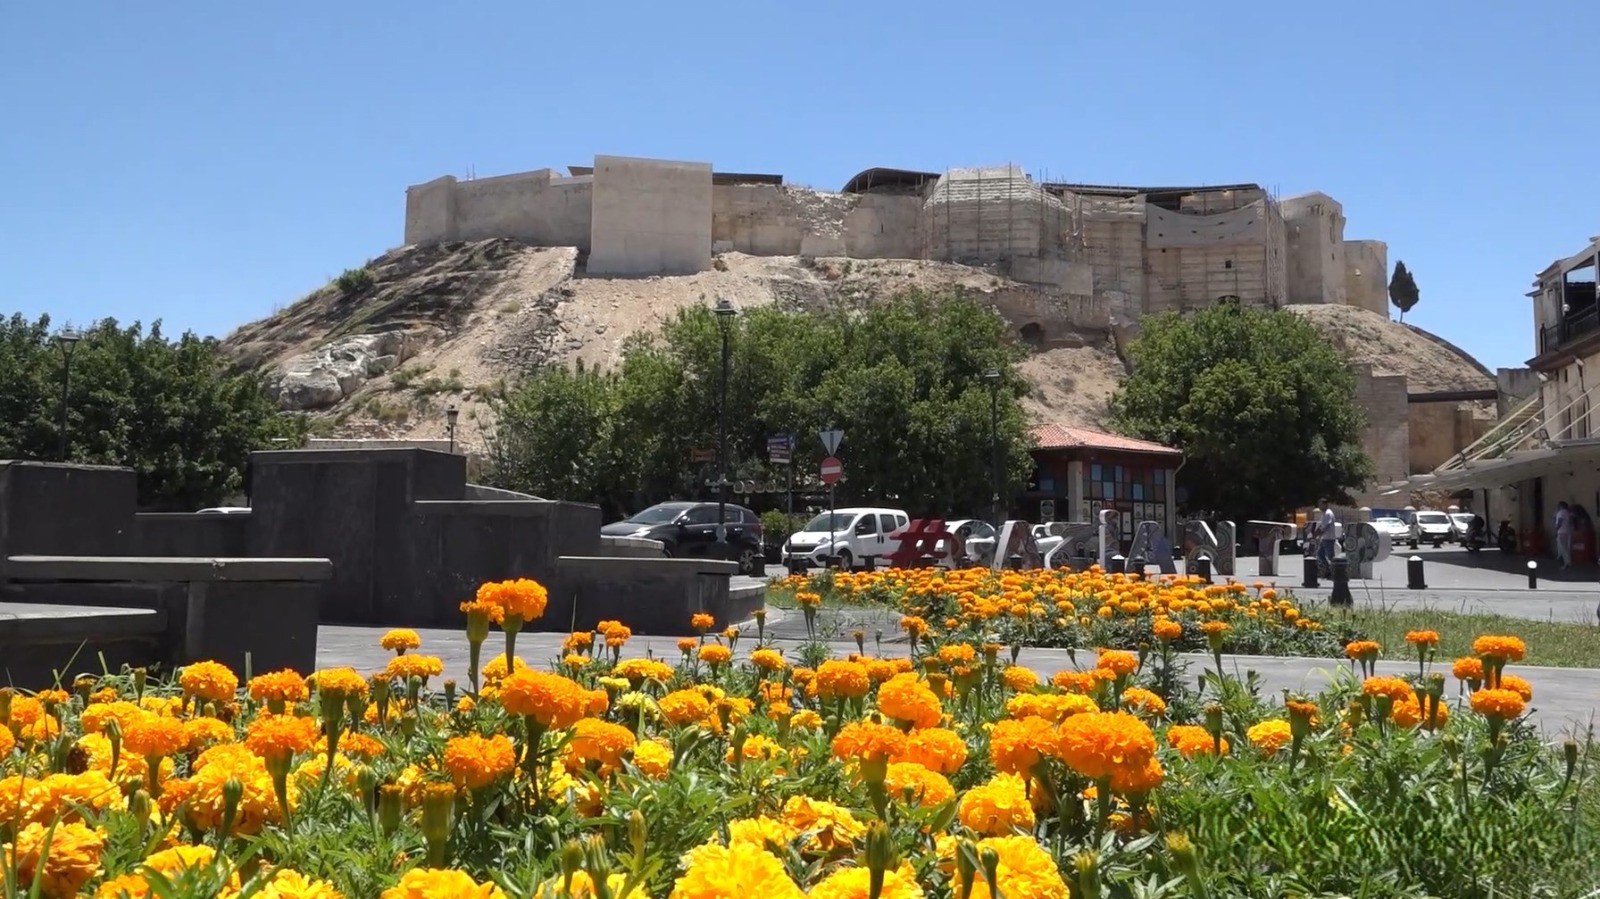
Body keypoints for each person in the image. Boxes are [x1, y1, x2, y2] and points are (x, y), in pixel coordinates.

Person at [1316, 499, 1339, 572]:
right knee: (1320, 554)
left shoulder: (1328, 513)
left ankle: (1335, 571)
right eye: (1319, 505)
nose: (1319, 506)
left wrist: (1320, 533)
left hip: (1329, 538)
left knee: (1330, 556)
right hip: (1325, 538)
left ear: (1325, 504)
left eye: (1321, 505)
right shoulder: (1324, 513)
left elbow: (1327, 525)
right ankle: (1328, 569)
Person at [1555, 501, 1573, 569]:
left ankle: (1566, 563)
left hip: (1561, 532)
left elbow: (1559, 522)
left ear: (1561, 506)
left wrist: (1556, 530)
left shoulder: (1561, 513)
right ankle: (1567, 562)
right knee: (1566, 548)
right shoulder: (1568, 513)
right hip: (1567, 531)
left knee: (1563, 548)